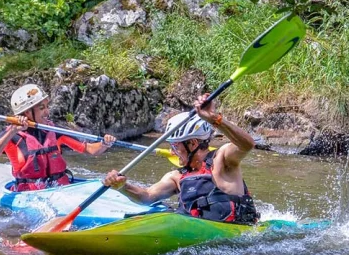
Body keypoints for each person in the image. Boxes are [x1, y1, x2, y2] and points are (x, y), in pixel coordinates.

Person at [103, 93, 259, 224]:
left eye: (175, 146)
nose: (172, 151)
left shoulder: (222, 160)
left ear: (192, 143)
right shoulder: (176, 177)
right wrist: (122, 186)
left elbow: (247, 145)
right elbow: (147, 196)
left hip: (235, 234)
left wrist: (215, 119)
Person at [0, 84, 116, 192]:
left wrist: (104, 143)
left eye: (47, 106)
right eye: (42, 108)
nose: (47, 112)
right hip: (30, 194)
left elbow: (91, 150)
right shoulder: (12, 134)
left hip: (60, 188)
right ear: (27, 112)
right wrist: (12, 131)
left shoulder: (54, 130)